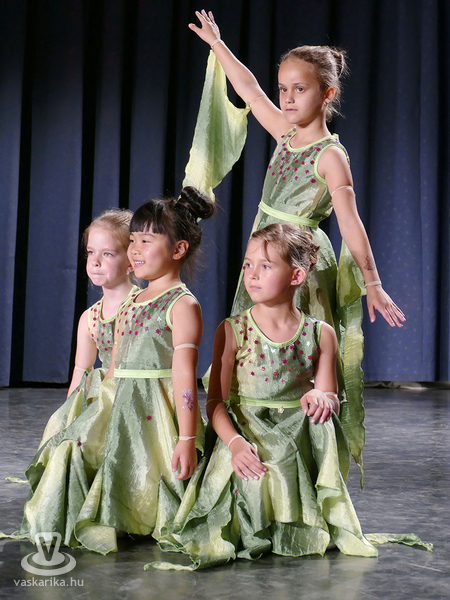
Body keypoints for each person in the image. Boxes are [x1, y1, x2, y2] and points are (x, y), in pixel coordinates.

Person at [188, 10, 405, 470]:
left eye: (299, 89)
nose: (286, 98)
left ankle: (299, 456)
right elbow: (250, 90)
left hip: (298, 260)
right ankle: (243, 443)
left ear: (327, 94)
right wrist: (218, 45)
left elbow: (350, 222)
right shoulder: (286, 134)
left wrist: (372, 281)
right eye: (283, 88)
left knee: (297, 354)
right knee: (252, 348)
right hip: (265, 249)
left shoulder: (330, 156)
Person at [151, 224, 379, 570]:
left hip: (294, 435)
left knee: (295, 449)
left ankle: (295, 520)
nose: (252, 274)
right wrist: (235, 444)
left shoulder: (321, 334)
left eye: (266, 266)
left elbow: (331, 394)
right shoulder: (232, 330)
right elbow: (215, 402)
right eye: (248, 265)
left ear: (296, 275)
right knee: (255, 477)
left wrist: (322, 397)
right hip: (246, 432)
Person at [1, 188, 215, 554]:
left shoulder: (182, 305)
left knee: (154, 476)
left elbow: (184, 377)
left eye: (145, 241)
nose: (135, 250)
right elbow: (112, 370)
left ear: (178, 249)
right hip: (120, 403)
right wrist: (81, 417)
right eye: (132, 241)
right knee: (75, 451)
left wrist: (186, 438)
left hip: (155, 412)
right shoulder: (132, 304)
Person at [38, 209, 138, 447]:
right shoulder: (89, 318)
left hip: (136, 399)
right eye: (91, 252)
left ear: (131, 261)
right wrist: (69, 417)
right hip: (105, 395)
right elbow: (81, 372)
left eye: (107, 254)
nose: (95, 262)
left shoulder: (142, 308)